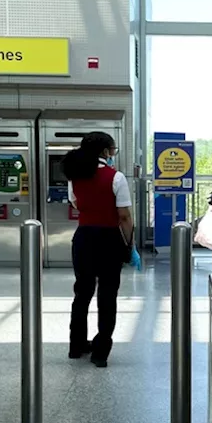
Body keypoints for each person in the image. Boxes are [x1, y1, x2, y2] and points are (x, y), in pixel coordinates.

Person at [65, 131, 134, 368]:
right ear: (106, 151)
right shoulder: (116, 177)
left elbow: (76, 204)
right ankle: (101, 352)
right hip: (109, 239)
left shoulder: (74, 176)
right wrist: (129, 245)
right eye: (113, 150)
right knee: (107, 295)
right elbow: (124, 216)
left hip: (83, 238)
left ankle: (76, 346)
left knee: (82, 293)